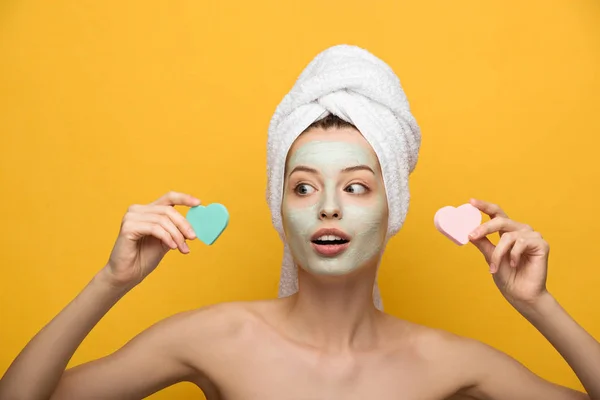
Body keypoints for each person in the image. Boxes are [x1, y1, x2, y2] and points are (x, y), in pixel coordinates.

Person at [1, 45, 599, 400]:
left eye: (357, 186)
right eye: (303, 186)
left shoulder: (450, 362)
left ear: (395, 206)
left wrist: (538, 305)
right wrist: (111, 281)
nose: (329, 207)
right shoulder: (213, 339)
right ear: (279, 209)